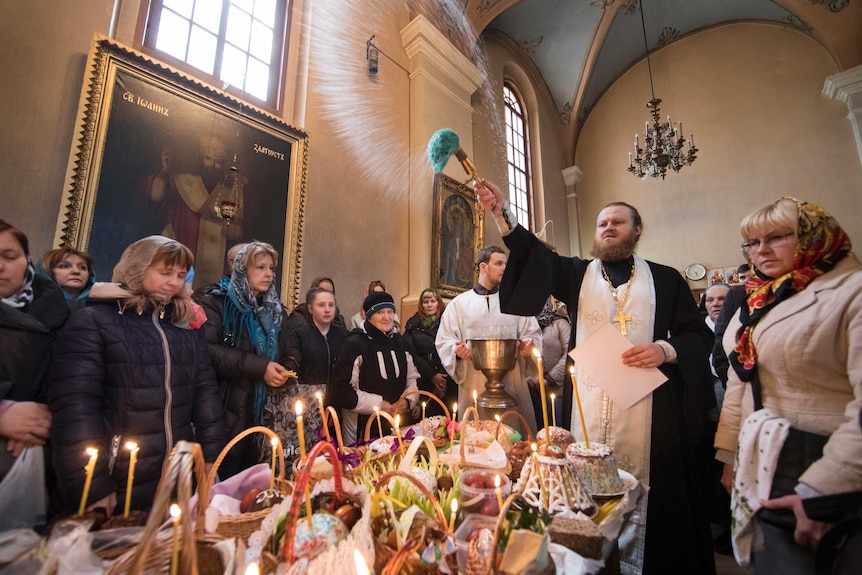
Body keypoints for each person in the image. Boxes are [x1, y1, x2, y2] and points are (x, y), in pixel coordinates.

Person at [474, 179, 715, 575]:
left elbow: (697, 336)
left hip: (649, 414)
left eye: (618, 222)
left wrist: (663, 350)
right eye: (603, 222)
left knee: (656, 508)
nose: (608, 228)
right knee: (586, 502)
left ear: (637, 231)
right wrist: (502, 215)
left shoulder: (667, 279)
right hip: (585, 410)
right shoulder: (578, 275)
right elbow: (536, 254)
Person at [714, 198, 862, 573]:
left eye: (776, 238)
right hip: (763, 456)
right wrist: (730, 456)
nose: (760, 251)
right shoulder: (760, 297)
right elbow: (739, 383)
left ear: (813, 237)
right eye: (752, 243)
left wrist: (823, 490)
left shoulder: (850, 291)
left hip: (826, 458)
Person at [48, 235, 226, 514]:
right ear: (137, 268)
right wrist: (92, 484)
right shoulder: (95, 321)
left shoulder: (183, 325)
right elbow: (75, 407)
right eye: (165, 273)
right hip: (117, 474)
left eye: (180, 275)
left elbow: (205, 390)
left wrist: (212, 453)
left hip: (176, 472)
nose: (174, 283)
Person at [199, 241, 291, 478]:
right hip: (229, 405)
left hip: (265, 410)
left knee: (258, 484)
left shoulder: (275, 310)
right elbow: (209, 351)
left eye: (271, 268)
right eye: (260, 267)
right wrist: (261, 368)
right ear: (241, 269)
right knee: (225, 483)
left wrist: (288, 368)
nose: (269, 274)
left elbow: (290, 348)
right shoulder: (217, 303)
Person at [435, 245, 541, 436]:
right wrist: (456, 351)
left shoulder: (515, 301)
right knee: (476, 439)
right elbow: (444, 340)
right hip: (474, 382)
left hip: (512, 383)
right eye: (499, 263)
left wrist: (528, 345)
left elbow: (532, 333)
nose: (504, 268)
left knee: (514, 438)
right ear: (483, 267)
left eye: (506, 264)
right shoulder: (459, 304)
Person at [0, 221, 69, 488]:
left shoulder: (59, 310)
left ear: (26, 259)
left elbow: (72, 376)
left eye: (9, 256)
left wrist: (46, 416)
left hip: (44, 455)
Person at [145, 136, 242, 287]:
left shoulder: (228, 190)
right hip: (181, 246)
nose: (212, 165)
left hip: (212, 261)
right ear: (201, 159)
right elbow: (156, 196)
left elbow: (233, 231)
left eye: (217, 162)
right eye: (208, 159)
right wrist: (164, 172)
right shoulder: (182, 181)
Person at [327, 291, 420, 445]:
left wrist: (408, 400)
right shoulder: (355, 343)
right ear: (369, 316)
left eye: (390, 312)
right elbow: (343, 391)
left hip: (396, 423)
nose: (387, 317)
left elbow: (412, 377)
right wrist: (379, 405)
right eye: (380, 312)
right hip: (363, 426)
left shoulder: (400, 342)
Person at [279, 287, 349, 466]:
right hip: (309, 408)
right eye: (321, 305)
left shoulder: (343, 335)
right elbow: (295, 365)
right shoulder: (300, 335)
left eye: (331, 305)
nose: (327, 310)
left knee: (334, 458)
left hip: (337, 406)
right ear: (310, 309)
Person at [703, 282, 732, 554]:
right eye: (710, 299)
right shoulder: (700, 331)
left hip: (733, 412)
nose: (716, 304)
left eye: (722, 298)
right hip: (707, 414)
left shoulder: (737, 327)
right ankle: (721, 523)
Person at [402, 288, 457, 415]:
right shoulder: (412, 325)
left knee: (449, 419)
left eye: (433, 301)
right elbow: (411, 353)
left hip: (447, 377)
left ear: (438, 303)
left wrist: (441, 380)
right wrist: (433, 376)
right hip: (425, 379)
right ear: (421, 304)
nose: (429, 305)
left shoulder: (448, 322)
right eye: (426, 302)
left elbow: (452, 348)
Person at [526, 298, 570, 431]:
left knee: (555, 435)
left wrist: (548, 379)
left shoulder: (559, 324)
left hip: (555, 393)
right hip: (529, 392)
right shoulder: (524, 325)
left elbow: (569, 354)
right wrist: (525, 378)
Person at [35, 248, 96, 313]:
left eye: (82, 267)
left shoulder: (100, 307)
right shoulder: (32, 304)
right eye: (65, 266)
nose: (76, 271)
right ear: (47, 271)